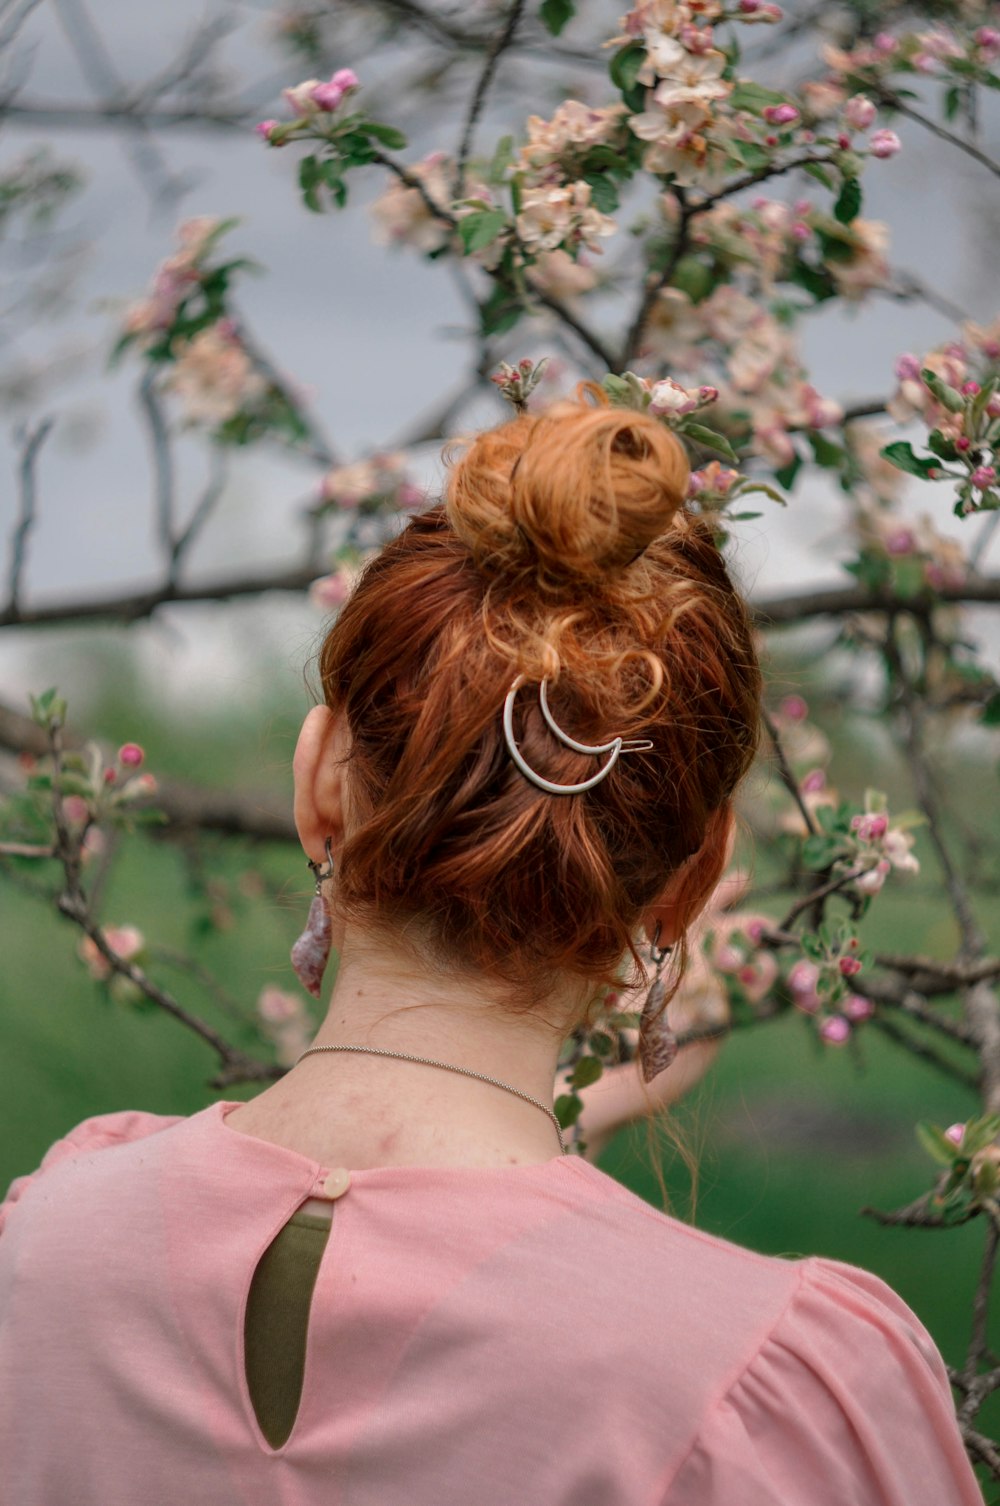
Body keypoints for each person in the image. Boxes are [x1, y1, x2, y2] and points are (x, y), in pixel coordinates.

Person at [0, 390, 984, 1505]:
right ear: (692, 879)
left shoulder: (42, 1252)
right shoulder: (768, 1390)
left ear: (321, 785)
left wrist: (588, 1107)